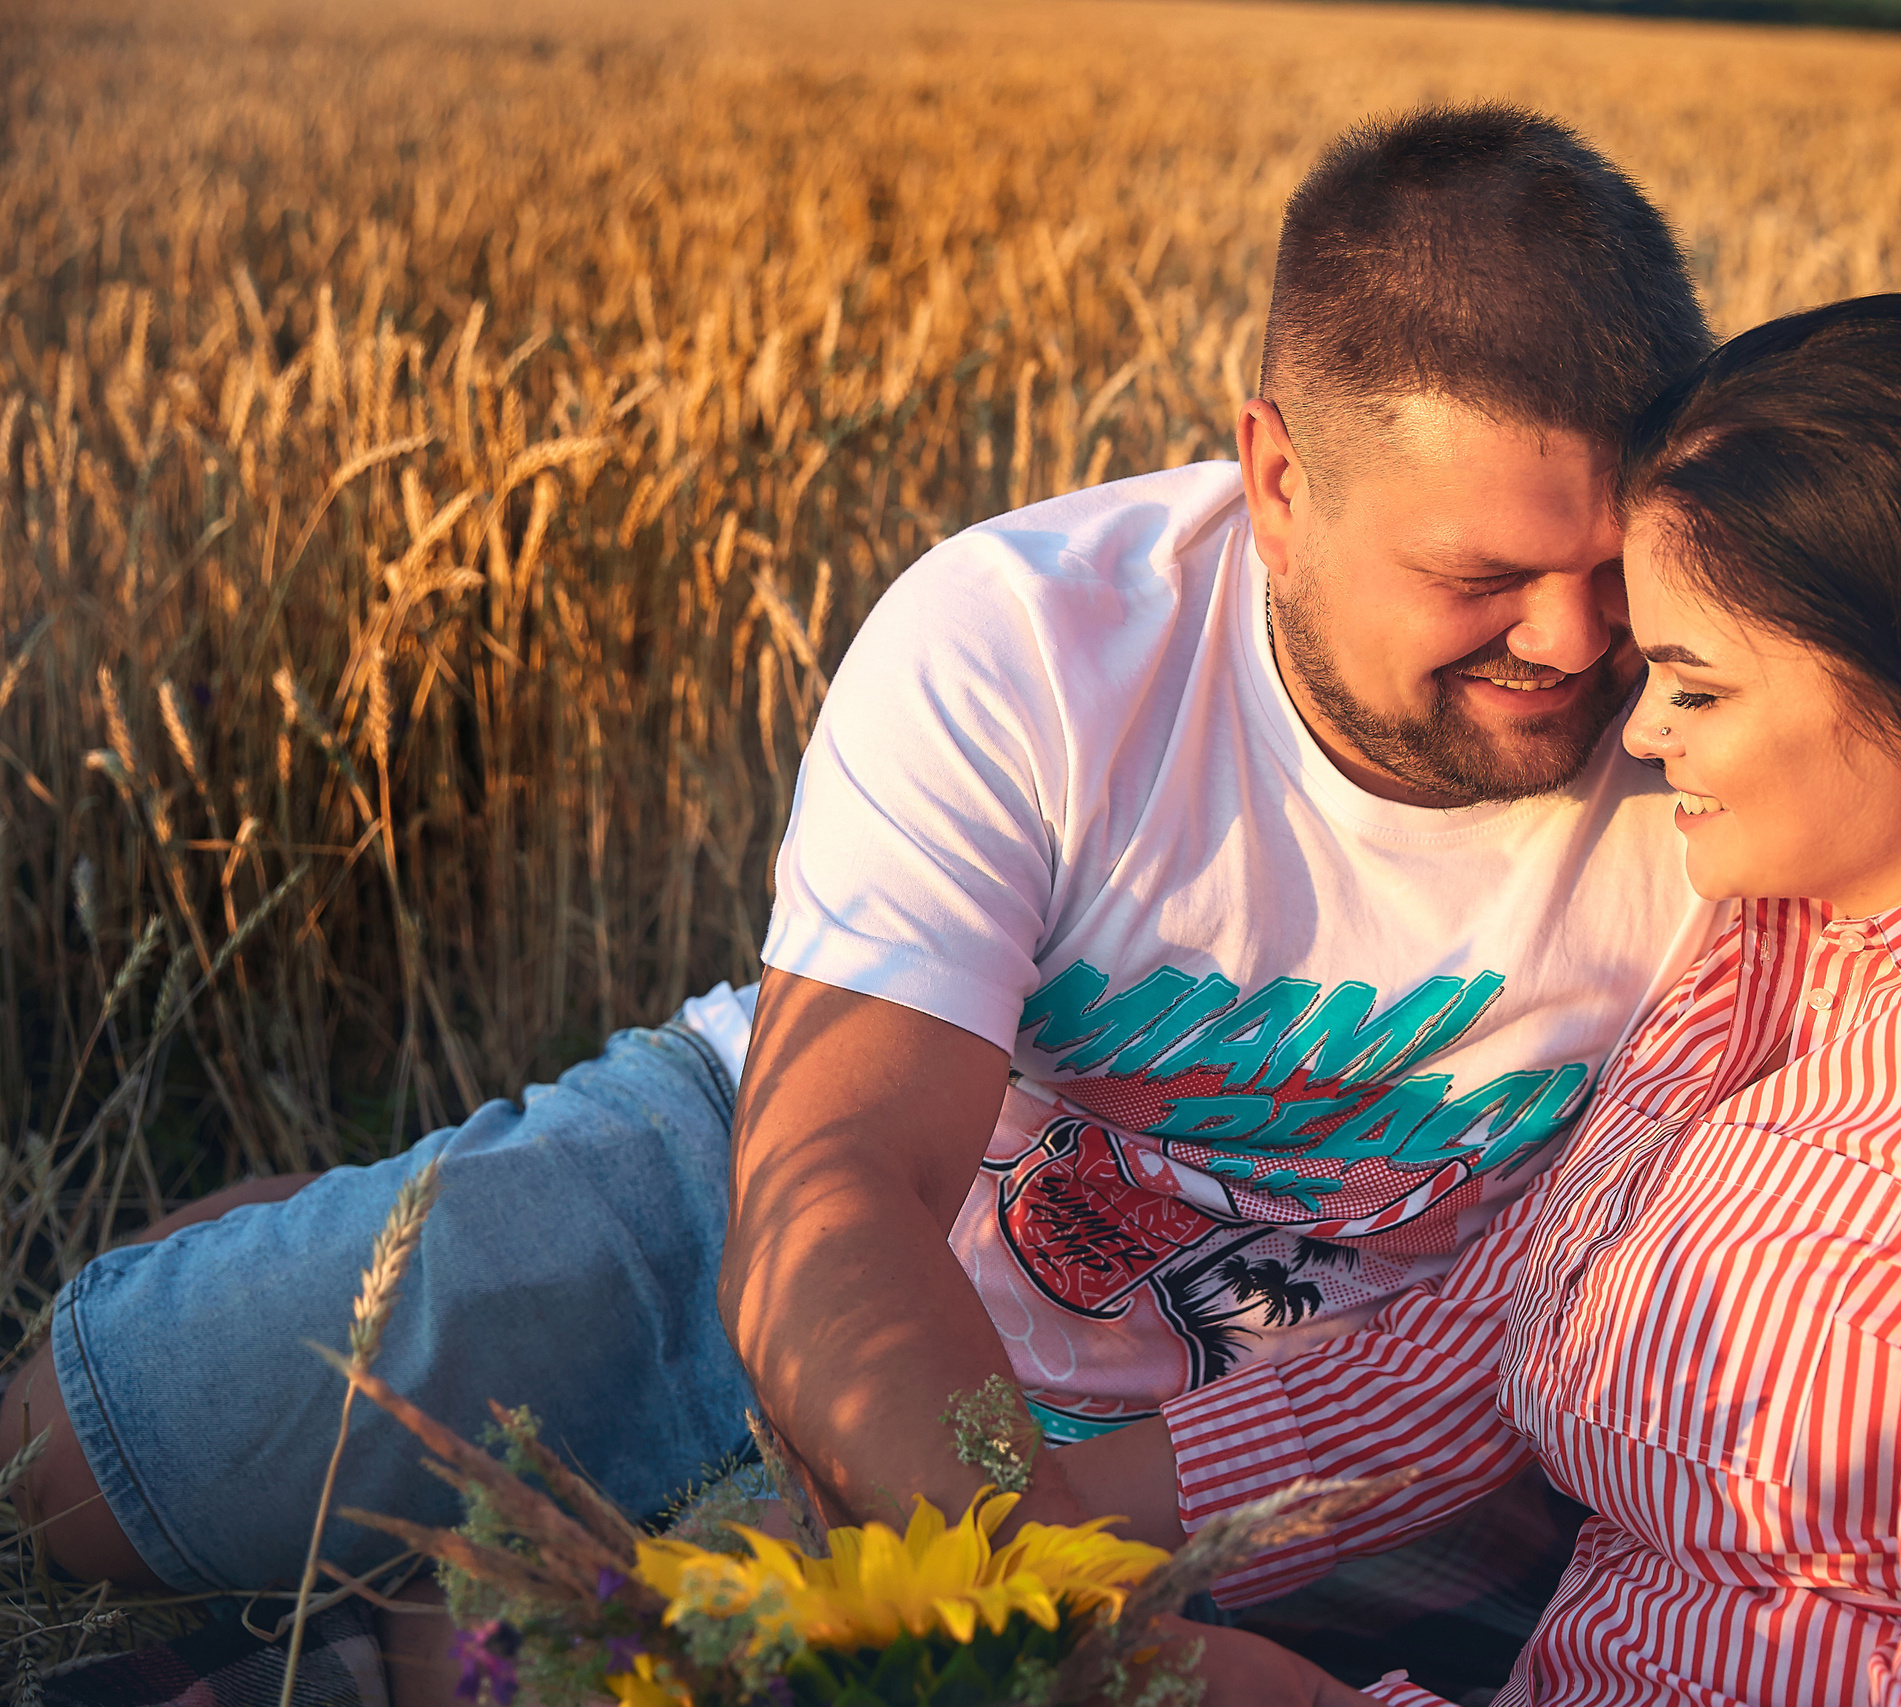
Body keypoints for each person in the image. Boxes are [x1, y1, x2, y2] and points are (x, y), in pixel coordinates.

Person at [4, 103, 1708, 1697]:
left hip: (1249, 1432)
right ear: (1276, 479)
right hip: (780, 1215)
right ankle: (323, 1230)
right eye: (1480, 577)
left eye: (1610, 567)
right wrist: (1030, 1612)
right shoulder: (1028, 638)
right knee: (87, 1482)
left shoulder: (1727, 737)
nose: (1572, 643)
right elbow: (838, 1179)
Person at [1157, 294, 1901, 1705]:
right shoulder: (1759, 958)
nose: (1635, 732)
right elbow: (1465, 1363)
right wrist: (1016, 1532)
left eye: (1694, 686)